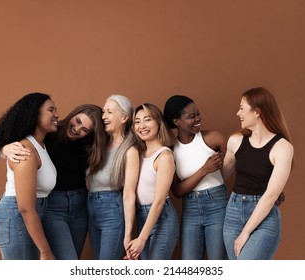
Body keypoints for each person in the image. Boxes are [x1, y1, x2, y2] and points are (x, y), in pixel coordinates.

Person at [0, 104, 107, 259]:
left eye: (85, 129)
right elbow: (15, 142)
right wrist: (5, 149)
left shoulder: (90, 144)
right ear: (73, 114)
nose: (77, 129)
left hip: (80, 205)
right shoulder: (49, 133)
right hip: (53, 206)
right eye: (77, 121)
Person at [221, 87, 294, 260]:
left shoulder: (282, 147)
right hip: (233, 212)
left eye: (241, 108)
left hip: (264, 216)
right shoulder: (236, 141)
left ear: (257, 112)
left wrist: (246, 232)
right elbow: (219, 178)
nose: (237, 113)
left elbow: (271, 195)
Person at [0, 92, 59, 260]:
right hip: (15, 218)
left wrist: (2, 149)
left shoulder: (41, 144)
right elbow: (25, 207)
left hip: (29, 216)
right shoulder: (26, 151)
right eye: (51, 110)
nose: (56, 114)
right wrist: (45, 251)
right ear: (35, 115)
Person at [163, 95, 228, 260]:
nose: (198, 119)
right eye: (191, 116)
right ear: (176, 122)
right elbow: (177, 191)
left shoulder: (214, 139)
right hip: (190, 210)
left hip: (217, 206)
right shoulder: (170, 151)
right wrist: (204, 170)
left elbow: (242, 164)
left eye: (198, 114)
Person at [86, 94, 139, 260]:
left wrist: (128, 235)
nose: (103, 117)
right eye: (103, 112)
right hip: (90, 207)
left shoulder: (130, 151)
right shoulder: (99, 144)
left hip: (112, 211)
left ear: (124, 117)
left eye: (109, 112)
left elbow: (129, 194)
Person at [126, 103, 179, 260]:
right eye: (137, 121)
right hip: (142, 216)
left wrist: (141, 239)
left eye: (147, 120)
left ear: (158, 123)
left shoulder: (164, 156)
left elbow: (159, 201)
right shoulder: (138, 154)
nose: (142, 126)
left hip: (162, 217)